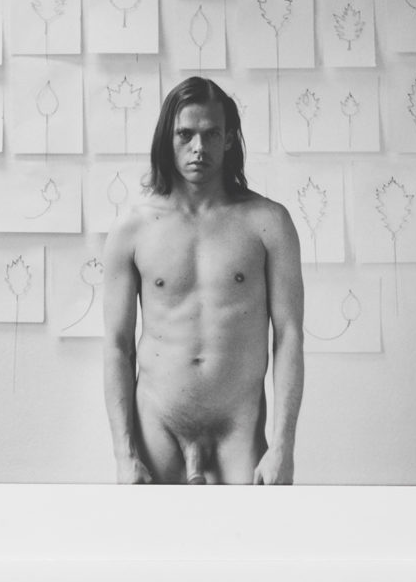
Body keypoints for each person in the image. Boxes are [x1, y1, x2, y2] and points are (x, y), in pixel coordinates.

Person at [102, 76, 304, 484]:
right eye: (186, 134)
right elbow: (117, 346)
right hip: (156, 425)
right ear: (168, 138)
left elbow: (289, 336)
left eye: (211, 134)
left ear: (228, 139)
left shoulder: (268, 223)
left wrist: (283, 446)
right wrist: (124, 455)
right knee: (155, 528)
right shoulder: (133, 229)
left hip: (238, 429)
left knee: (250, 526)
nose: (199, 147)